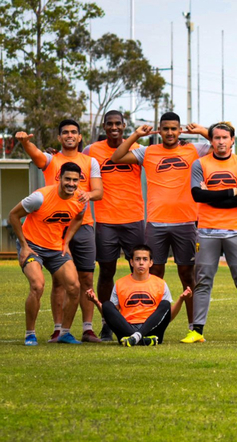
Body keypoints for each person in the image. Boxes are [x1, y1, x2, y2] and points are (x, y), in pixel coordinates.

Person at [111, 112, 210, 341]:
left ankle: (194, 328)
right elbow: (117, 157)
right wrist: (136, 134)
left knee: (187, 274)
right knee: (155, 273)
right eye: (165, 129)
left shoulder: (193, 149)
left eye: (174, 129)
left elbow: (220, 144)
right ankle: (150, 325)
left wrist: (201, 130)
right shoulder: (148, 151)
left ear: (180, 130)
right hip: (156, 223)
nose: (170, 133)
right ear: (159, 130)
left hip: (186, 222)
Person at [16, 120, 103, 343]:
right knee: (53, 282)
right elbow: (35, 154)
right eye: (65, 132)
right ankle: (55, 330)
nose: (70, 135)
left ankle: (86, 328)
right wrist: (25, 143)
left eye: (74, 132)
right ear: (59, 137)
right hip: (46, 231)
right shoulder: (51, 161)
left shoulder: (89, 162)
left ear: (81, 137)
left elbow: (97, 192)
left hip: (78, 226)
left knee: (83, 279)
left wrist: (85, 197)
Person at [186, 122, 237, 343]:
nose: (221, 142)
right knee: (203, 281)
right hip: (207, 231)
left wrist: (212, 195)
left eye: (225, 138)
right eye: (216, 138)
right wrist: (230, 191)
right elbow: (197, 196)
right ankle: (197, 331)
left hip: (236, 231)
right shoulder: (199, 164)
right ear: (210, 141)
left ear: (232, 140)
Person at [83, 110, 145, 341]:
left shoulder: (136, 149)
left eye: (118, 123)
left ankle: (134, 318)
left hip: (134, 219)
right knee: (106, 271)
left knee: (137, 270)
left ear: (124, 125)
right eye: (110, 124)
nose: (114, 127)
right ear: (104, 126)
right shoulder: (92, 150)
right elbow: (73, 161)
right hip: (106, 221)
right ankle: (107, 321)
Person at [9, 162, 87, 345]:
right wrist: (24, 245)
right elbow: (13, 215)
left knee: (75, 287)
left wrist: (66, 242)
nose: (71, 183)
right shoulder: (39, 198)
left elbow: (78, 218)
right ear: (59, 178)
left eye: (75, 180)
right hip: (32, 246)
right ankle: (30, 334)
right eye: (67, 179)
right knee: (37, 285)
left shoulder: (80, 200)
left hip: (55, 248)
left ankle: (64, 334)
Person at [86, 245, 193, 346]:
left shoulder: (160, 283)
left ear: (151, 263)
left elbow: (167, 317)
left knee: (165, 304)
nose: (141, 263)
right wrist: (96, 301)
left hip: (152, 330)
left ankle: (135, 338)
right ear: (131, 262)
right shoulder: (120, 283)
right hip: (127, 329)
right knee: (107, 305)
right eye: (137, 259)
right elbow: (111, 316)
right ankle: (142, 340)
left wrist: (181, 299)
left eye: (145, 259)